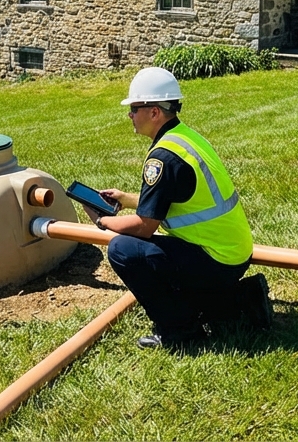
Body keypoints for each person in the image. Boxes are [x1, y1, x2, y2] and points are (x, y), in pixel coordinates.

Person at [81, 66, 271, 350]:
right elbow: (175, 197)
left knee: (123, 250)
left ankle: (181, 331)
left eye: (134, 108)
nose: (129, 115)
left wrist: (102, 222)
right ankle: (236, 301)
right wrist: (125, 199)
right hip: (234, 253)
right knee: (158, 257)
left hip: (217, 261)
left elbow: (144, 227)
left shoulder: (163, 159)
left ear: (155, 112)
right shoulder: (184, 138)